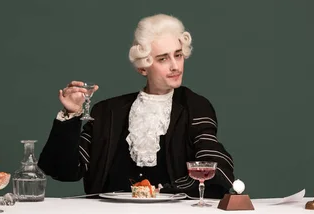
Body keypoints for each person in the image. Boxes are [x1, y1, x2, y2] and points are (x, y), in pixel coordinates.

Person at [38, 13, 235, 198]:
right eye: (163, 58)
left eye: (178, 55)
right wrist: (71, 115)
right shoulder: (107, 111)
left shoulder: (195, 106)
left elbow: (215, 169)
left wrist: (162, 192)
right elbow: (63, 170)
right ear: (143, 67)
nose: (175, 66)